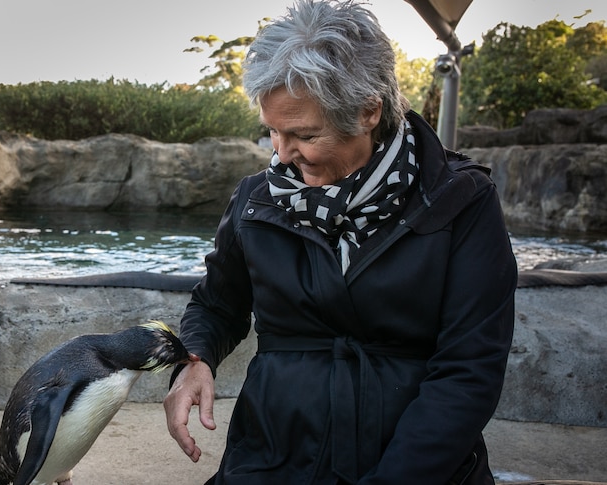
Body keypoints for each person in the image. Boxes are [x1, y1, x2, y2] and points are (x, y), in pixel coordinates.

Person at [163, 1, 518, 483]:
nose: (282, 154)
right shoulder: (254, 199)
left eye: (304, 134)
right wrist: (194, 359)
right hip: (270, 458)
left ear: (369, 110)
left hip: (419, 468)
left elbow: (468, 371)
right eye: (272, 130)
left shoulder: (462, 200)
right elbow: (216, 305)